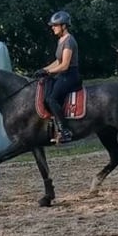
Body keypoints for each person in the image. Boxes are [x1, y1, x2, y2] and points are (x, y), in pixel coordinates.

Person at [33, 10, 82, 143]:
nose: (53, 28)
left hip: (70, 75)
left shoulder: (69, 41)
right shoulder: (61, 40)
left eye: (55, 25)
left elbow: (65, 65)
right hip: (63, 74)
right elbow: (58, 61)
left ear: (64, 26)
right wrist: (44, 69)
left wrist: (49, 72)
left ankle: (64, 131)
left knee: (51, 99)